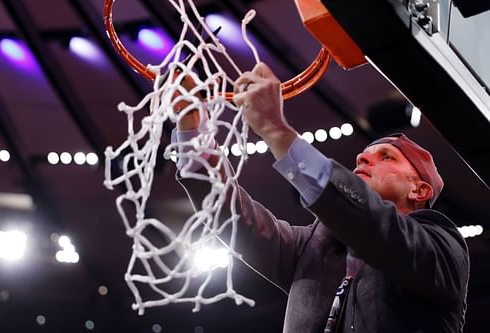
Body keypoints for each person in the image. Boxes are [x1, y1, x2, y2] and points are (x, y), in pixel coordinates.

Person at [173, 63, 469, 333]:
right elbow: (235, 218)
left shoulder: (441, 248)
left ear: (419, 190)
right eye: (362, 158)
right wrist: (192, 130)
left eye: (386, 157)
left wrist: (275, 129)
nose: (363, 162)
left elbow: (374, 223)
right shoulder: (315, 247)